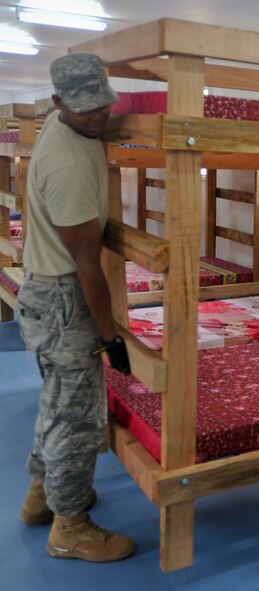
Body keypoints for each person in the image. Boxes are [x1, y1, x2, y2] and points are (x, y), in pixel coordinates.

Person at [17, 53, 134, 563]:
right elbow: (90, 267)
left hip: (47, 294)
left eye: (102, 104)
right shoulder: (65, 164)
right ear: (58, 102)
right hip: (64, 299)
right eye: (83, 108)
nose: (97, 115)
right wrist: (109, 335)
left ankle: (43, 496)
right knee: (78, 417)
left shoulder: (75, 133)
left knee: (57, 402)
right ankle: (70, 525)